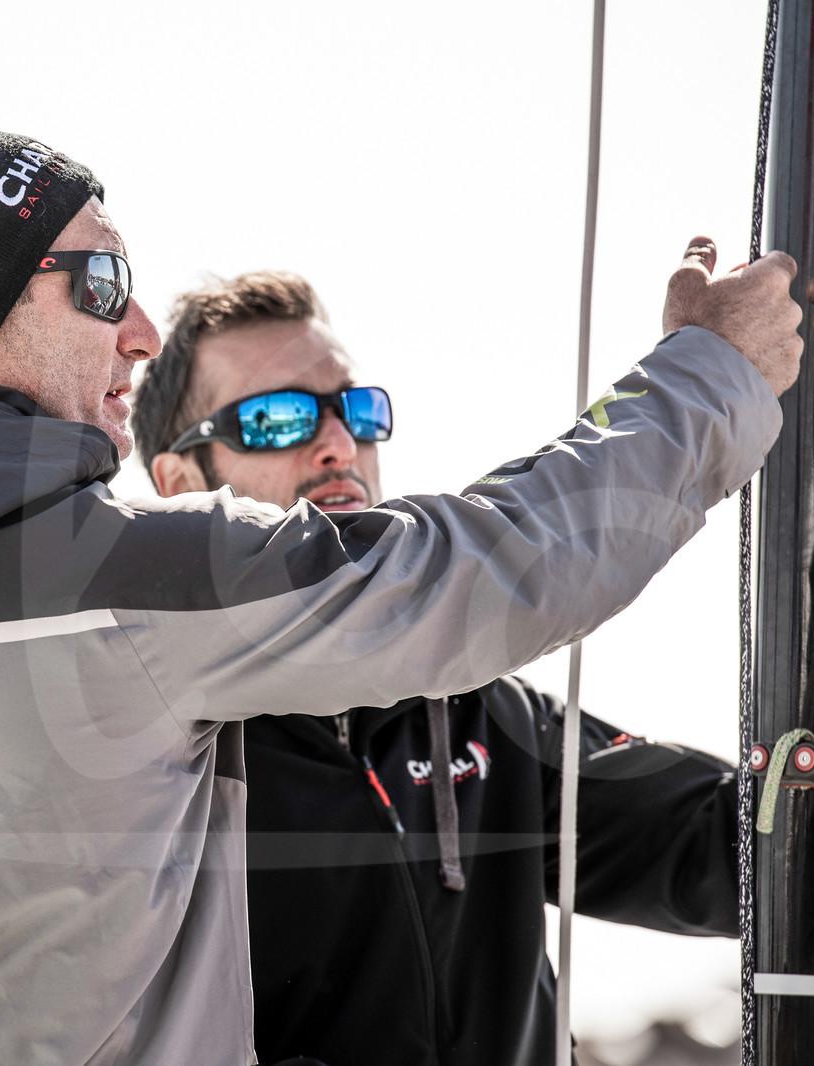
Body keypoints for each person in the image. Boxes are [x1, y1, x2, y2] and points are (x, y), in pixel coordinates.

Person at [0, 102, 801, 1066]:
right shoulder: (121, 586)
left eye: (355, 409)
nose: (136, 329)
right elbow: (499, 561)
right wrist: (707, 374)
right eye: (100, 280)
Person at [134, 270, 753, 1064]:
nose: (339, 445)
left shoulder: (475, 708)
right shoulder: (152, 757)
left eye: (356, 411)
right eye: (275, 418)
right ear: (180, 487)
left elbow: (720, 847)